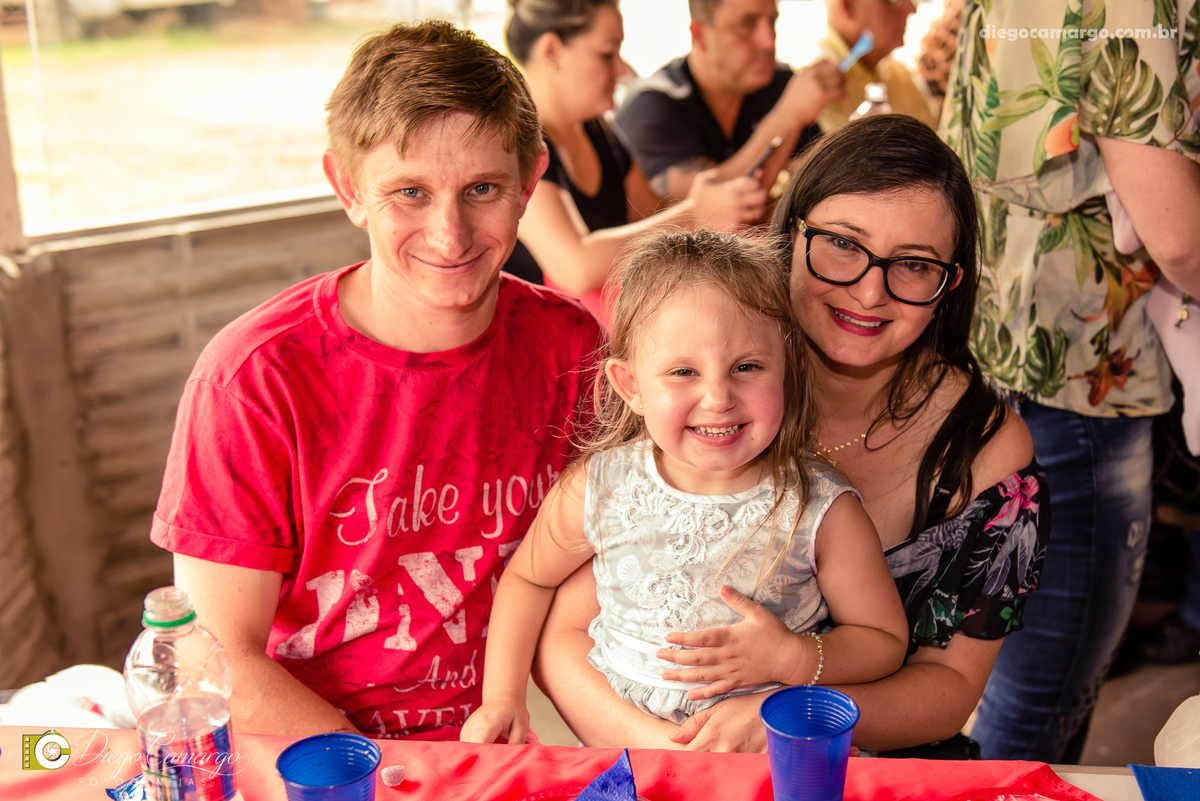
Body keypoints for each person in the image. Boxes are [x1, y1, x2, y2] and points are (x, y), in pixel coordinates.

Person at [532, 114, 1049, 756]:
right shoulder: (704, 394)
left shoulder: (987, 454)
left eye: (913, 264)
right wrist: (675, 757)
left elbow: (948, 690)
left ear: (949, 287)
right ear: (789, 233)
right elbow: (566, 634)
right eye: (842, 242)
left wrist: (788, 715)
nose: (868, 290)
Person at [148, 21, 603, 741]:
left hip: (496, 746)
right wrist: (379, 776)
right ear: (347, 187)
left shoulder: (574, 349)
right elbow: (216, 653)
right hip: (311, 757)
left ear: (530, 182)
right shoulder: (255, 378)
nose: (449, 235)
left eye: (482, 188)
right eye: (410, 193)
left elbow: (586, 590)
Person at [462, 228, 909, 745]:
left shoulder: (819, 508)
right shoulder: (600, 486)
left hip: (764, 763)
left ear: (789, 372)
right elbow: (529, 580)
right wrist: (502, 697)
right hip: (624, 758)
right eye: (682, 371)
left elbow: (884, 640)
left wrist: (794, 656)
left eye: (747, 367)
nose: (718, 397)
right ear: (631, 387)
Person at [942, 0, 1200, 762]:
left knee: (1007, 676)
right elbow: (1179, 235)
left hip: (998, 348)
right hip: (1081, 372)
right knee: (1039, 701)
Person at [501, 0, 767, 325]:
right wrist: (695, 213)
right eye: (607, 53)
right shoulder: (513, 144)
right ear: (552, 51)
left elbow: (652, 217)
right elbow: (575, 267)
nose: (621, 69)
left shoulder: (599, 131)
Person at [613, 0, 844, 204]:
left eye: (772, 22)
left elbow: (827, 188)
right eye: (746, 25)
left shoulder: (778, 84)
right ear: (700, 34)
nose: (768, 42)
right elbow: (707, 217)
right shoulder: (652, 107)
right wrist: (789, 115)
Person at [816, 0, 938, 131]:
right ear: (848, 6)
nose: (911, 10)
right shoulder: (805, 81)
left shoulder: (902, 76)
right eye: (893, 1)